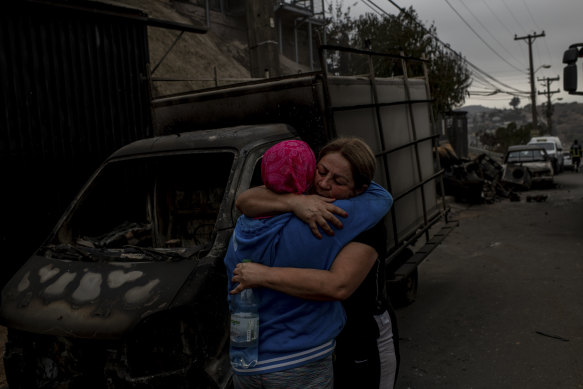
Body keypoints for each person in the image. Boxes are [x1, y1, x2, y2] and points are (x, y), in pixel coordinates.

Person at [224, 139, 392, 388]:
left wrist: (263, 274)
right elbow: (244, 200)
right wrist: (295, 201)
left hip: (360, 333)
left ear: (360, 189)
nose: (323, 184)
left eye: (339, 181)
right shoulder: (294, 206)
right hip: (303, 353)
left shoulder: (356, 219)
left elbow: (339, 286)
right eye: (321, 171)